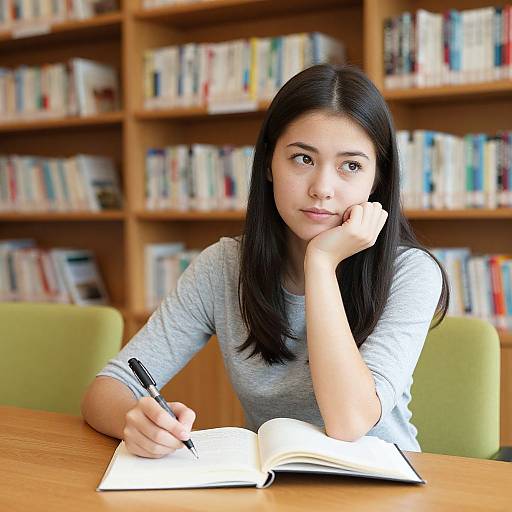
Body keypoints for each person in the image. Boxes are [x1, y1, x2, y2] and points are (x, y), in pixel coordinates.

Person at [81, 64, 449, 458]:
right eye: (303, 159)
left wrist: (321, 263)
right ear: (270, 163)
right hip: (270, 483)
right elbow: (107, 389)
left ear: (377, 179)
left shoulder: (410, 272)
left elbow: (348, 422)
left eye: (351, 166)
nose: (322, 188)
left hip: (380, 484)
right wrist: (135, 421)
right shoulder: (224, 266)